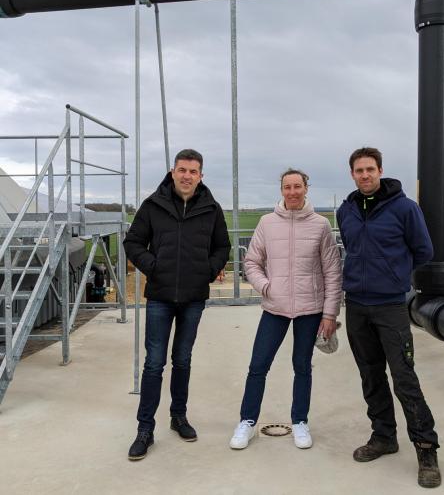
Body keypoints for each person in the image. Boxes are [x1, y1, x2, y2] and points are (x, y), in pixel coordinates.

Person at [337, 147, 441, 488]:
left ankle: (426, 448)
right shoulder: (346, 211)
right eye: (358, 170)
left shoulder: (404, 209)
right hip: (357, 306)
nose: (364, 175)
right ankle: (383, 436)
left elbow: (423, 250)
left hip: (390, 307)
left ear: (380, 171)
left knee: (404, 377)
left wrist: (396, 277)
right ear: (352, 174)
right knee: (370, 376)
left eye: (370, 169)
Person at [123, 149, 230, 460]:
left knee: (182, 359)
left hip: (194, 298)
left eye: (193, 171)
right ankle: (145, 429)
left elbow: (222, 245)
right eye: (182, 170)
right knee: (154, 363)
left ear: (201, 176)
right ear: (172, 172)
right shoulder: (153, 205)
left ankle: (178, 416)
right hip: (160, 296)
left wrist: (208, 269)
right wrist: (152, 265)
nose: (187, 176)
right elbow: (133, 242)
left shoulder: (211, 208)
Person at [229, 169, 342, 450]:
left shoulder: (321, 225)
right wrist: (266, 287)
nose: (292, 192)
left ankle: (300, 422)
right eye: (287, 187)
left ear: (306, 188)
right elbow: (251, 262)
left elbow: (332, 271)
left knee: (302, 366)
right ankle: (247, 422)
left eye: (297, 186)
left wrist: (330, 314)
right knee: (258, 365)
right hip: (274, 308)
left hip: (310, 308)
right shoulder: (267, 223)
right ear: (281, 190)